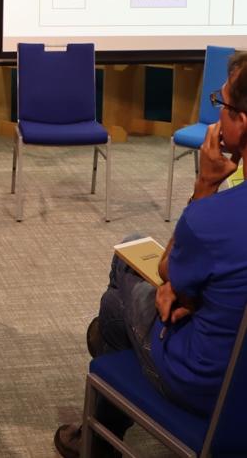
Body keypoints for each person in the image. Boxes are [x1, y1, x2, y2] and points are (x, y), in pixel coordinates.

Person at [54, 51, 247, 458]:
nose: (217, 114)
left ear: (241, 123)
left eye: (222, 102)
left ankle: (100, 434)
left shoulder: (214, 217)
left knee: (122, 281)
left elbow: (166, 271)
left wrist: (204, 186)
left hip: (207, 386)